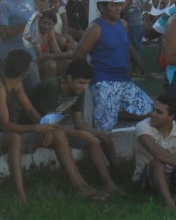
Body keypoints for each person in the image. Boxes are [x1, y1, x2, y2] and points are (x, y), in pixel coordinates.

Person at [0, 50, 107, 206]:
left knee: (57, 134)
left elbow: (31, 111)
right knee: (15, 138)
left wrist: (46, 128)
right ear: (25, 73)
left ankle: (81, 187)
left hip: (11, 133)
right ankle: (21, 195)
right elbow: (5, 126)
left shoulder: (16, 84)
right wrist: (37, 128)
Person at [67, 0, 154, 132]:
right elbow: (78, 55)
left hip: (123, 79)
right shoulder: (96, 28)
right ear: (102, 7)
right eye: (113, 5)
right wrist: (87, 78)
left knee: (151, 111)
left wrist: (143, 69)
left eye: (119, 5)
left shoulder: (123, 24)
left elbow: (128, 47)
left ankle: (117, 113)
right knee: (105, 128)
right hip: (104, 81)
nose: (118, 8)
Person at [30, 58, 122, 195]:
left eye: (86, 83)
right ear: (69, 78)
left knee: (93, 140)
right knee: (63, 136)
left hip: (54, 128)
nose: (84, 87)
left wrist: (100, 133)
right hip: (35, 127)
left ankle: (109, 183)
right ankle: (80, 187)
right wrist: (79, 134)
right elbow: (47, 123)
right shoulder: (52, 87)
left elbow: (79, 122)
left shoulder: (78, 90)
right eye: (81, 83)